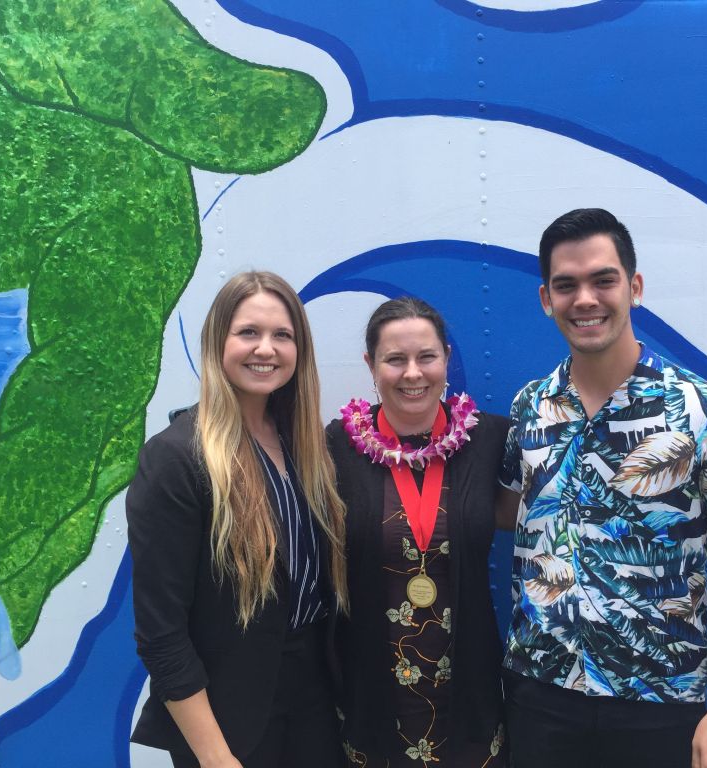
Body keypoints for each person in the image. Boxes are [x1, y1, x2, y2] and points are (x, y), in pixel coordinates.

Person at [496, 209, 707, 768]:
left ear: (634, 288)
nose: (585, 299)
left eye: (603, 280)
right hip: (540, 696)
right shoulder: (529, 408)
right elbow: (509, 513)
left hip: (660, 704)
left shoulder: (706, 412)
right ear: (547, 299)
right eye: (566, 285)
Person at [126, 271, 348, 768]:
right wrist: (215, 757)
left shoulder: (308, 445)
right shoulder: (176, 459)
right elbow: (161, 634)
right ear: (217, 342)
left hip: (314, 698)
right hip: (227, 718)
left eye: (282, 335)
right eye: (248, 332)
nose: (265, 349)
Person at [327, 297, 508, 767]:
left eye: (426, 357)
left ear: (446, 358)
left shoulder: (490, 440)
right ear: (371, 365)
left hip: (468, 686)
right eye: (395, 359)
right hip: (373, 686)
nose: (413, 373)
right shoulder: (335, 448)